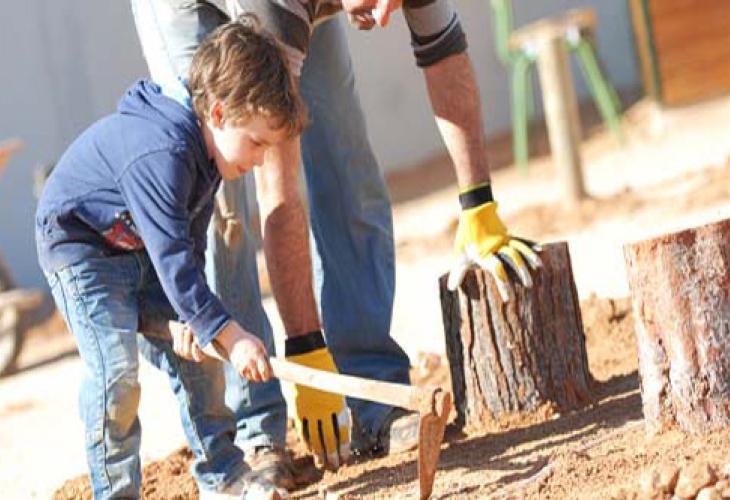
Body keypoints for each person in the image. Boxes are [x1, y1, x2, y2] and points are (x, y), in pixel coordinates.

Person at [129, 0, 541, 487]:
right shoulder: (278, 13)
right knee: (221, 204)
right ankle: (253, 431)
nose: (382, 17)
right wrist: (306, 349)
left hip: (300, 14)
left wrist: (478, 206)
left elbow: (445, 53)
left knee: (348, 162)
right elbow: (279, 192)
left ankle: (371, 391)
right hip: (188, 9)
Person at [35, 19, 306, 499]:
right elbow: (172, 256)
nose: (261, 159)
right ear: (218, 112)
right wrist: (230, 334)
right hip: (83, 252)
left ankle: (223, 475)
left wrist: (193, 321)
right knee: (117, 375)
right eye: (258, 142)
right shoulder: (162, 151)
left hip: (141, 250)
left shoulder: (209, 155)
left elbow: (188, 245)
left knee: (199, 358)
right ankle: (116, 492)